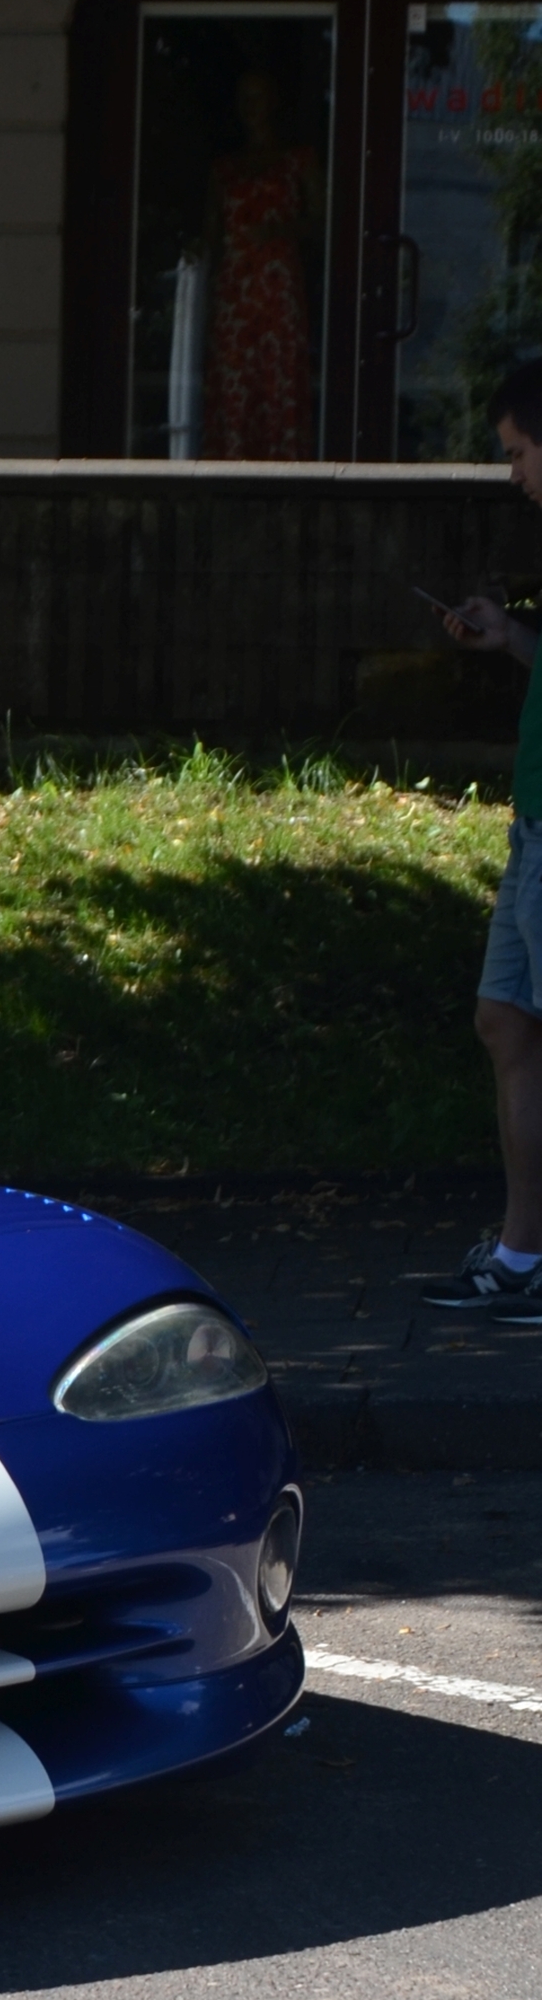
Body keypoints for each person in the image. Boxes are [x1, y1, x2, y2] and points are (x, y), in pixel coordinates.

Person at [427, 358, 542, 1314]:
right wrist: (509, 639)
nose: (513, 474)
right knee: (505, 1022)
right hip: (532, 826)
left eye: (518, 452)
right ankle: (521, 1254)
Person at [199, 65, 326, 459]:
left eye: (258, 97)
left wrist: (280, 230)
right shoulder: (224, 169)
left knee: (279, 382)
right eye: (243, 99)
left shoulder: (299, 160)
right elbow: (209, 238)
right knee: (236, 383)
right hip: (236, 295)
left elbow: (322, 223)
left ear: (274, 102)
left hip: (277, 292)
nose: (250, 107)